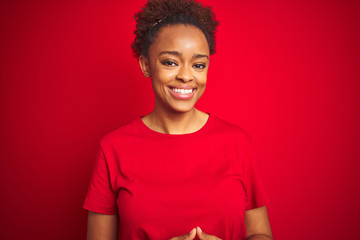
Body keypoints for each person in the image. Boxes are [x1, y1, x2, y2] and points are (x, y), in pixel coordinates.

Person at [83, 0, 273, 239]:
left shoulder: (237, 142)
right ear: (145, 65)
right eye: (170, 62)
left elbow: (261, 234)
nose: (185, 76)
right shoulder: (113, 149)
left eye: (198, 64)